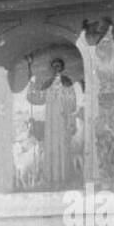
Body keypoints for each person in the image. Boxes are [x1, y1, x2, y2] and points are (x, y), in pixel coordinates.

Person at [26, 57, 77, 187]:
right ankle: (51, 178)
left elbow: (72, 103)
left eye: (59, 66)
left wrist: (65, 106)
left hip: (62, 121)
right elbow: (37, 98)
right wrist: (31, 84)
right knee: (51, 147)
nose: (56, 69)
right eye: (54, 67)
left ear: (62, 68)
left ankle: (64, 177)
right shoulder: (47, 84)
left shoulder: (67, 83)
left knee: (63, 147)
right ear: (52, 69)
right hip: (50, 123)